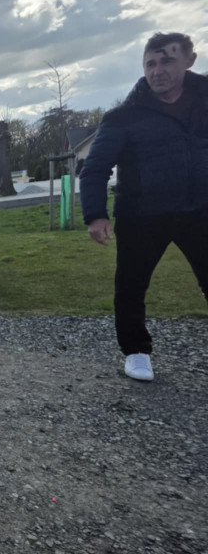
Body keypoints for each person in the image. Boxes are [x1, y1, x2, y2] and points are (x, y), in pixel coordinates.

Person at [80, 31, 208, 382]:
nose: (158, 70)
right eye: (150, 63)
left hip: (200, 210)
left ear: (189, 60)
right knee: (131, 285)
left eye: (167, 60)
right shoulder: (123, 117)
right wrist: (95, 214)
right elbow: (94, 168)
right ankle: (136, 352)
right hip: (142, 215)